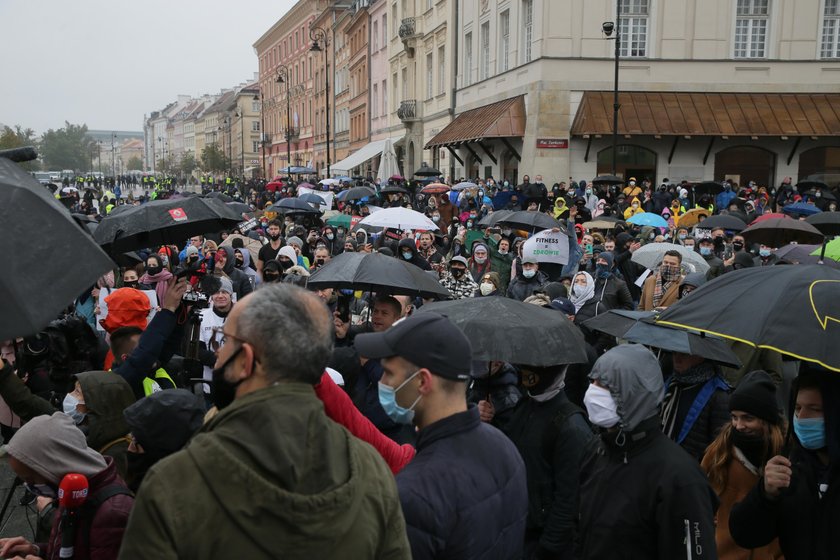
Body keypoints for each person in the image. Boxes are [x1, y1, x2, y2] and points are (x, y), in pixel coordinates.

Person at [119, 285, 410, 558]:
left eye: (226, 340)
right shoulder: (371, 470)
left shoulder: (175, 481)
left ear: (246, 359)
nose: (218, 354)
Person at [354, 313, 528, 560]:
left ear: (423, 381)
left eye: (389, 373)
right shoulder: (505, 448)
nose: (383, 382)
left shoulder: (415, 495)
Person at [578, 344, 719, 559]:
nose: (593, 391)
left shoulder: (680, 478)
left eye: (605, 384)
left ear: (635, 393)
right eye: (593, 381)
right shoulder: (596, 450)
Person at [729, 368, 840, 559]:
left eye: (815, 409)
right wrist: (765, 495)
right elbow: (745, 535)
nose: (802, 418)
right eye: (797, 408)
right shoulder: (791, 467)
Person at [0, 413, 134, 560]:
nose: (30, 487)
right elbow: (69, 549)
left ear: (55, 468)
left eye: (30, 479)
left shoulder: (113, 513)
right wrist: (36, 550)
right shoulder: (72, 492)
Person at [503, 363, 595, 559]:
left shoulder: (571, 427)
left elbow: (568, 500)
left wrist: (546, 550)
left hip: (542, 543)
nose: (528, 372)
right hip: (518, 531)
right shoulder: (524, 406)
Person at [700, 371, 785, 560]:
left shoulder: (785, 458)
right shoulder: (718, 455)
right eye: (734, 417)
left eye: (747, 418)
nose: (738, 425)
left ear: (766, 420)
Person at [661, 351, 731, 461]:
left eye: (684, 354)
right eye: (674, 353)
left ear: (700, 356)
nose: (677, 359)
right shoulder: (669, 383)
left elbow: (719, 448)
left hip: (692, 471)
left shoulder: (718, 395)